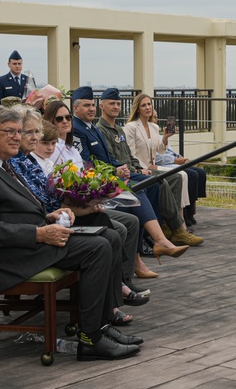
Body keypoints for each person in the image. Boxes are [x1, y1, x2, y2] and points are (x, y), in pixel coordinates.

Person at [0, 105, 141, 360]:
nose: (17, 138)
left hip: (30, 239)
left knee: (108, 235)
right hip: (9, 255)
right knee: (97, 248)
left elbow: (13, 210)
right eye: (10, 132)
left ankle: (103, 324)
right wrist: (39, 233)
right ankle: (91, 340)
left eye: (19, 132)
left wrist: (48, 217)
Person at [9, 107, 147, 322]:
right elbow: (16, 215)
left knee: (114, 224)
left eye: (36, 132)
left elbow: (46, 199)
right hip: (38, 235)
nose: (34, 138)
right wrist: (60, 213)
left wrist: (86, 200)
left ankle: (109, 307)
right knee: (105, 239)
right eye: (28, 132)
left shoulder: (30, 159)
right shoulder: (12, 163)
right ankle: (97, 323)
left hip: (55, 218)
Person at [63, 93, 188, 268]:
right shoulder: (78, 129)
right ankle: (150, 247)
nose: (91, 109)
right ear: (75, 108)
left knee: (152, 184)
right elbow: (86, 164)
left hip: (113, 173)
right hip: (98, 180)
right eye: (86, 105)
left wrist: (121, 167)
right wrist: (115, 170)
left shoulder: (92, 128)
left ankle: (153, 239)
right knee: (139, 188)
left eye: (92, 105)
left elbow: (111, 157)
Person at [95, 88, 202, 246]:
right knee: (160, 181)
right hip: (124, 174)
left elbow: (129, 155)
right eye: (112, 103)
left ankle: (172, 226)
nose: (116, 107)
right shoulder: (102, 131)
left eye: (118, 103)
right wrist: (138, 169)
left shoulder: (118, 130)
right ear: (101, 106)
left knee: (177, 177)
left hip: (137, 169)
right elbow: (113, 160)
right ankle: (175, 228)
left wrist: (138, 166)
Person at [125, 93, 207, 227]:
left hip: (152, 166)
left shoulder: (154, 127)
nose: (147, 108)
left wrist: (165, 137)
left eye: (149, 104)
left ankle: (180, 218)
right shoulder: (131, 127)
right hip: (142, 169)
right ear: (137, 109)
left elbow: (160, 150)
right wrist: (142, 169)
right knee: (179, 176)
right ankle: (176, 222)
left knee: (183, 175)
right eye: (143, 105)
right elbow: (131, 154)